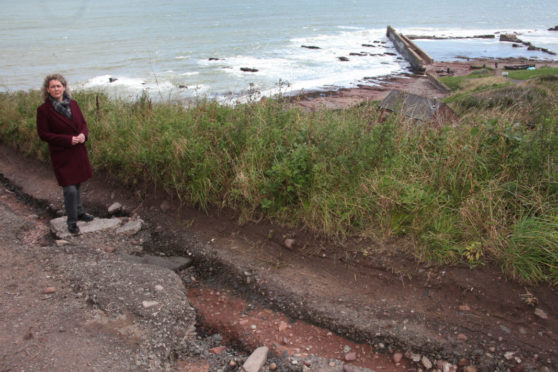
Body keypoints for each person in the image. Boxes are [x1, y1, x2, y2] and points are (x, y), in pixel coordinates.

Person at [36, 74, 94, 234]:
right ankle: (72, 221)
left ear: (64, 87)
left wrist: (83, 135)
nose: (56, 89)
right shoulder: (43, 110)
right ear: (47, 89)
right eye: (53, 86)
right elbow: (43, 134)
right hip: (62, 153)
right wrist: (68, 139)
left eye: (59, 86)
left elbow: (83, 124)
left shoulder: (74, 104)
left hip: (78, 151)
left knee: (77, 184)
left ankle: (80, 212)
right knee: (69, 188)